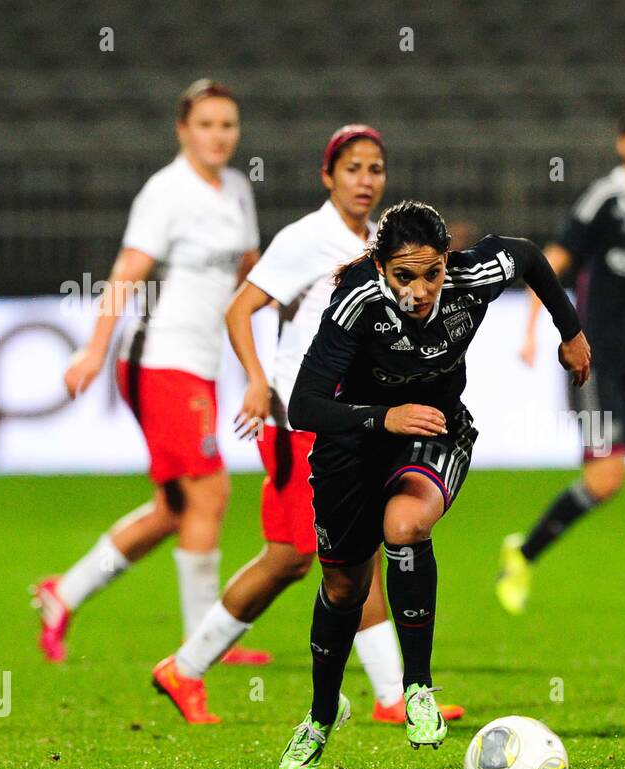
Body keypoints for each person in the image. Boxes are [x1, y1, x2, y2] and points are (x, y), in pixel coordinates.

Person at [149, 126, 463, 728]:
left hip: (356, 424)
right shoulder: (305, 239)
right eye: (352, 169)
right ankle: (186, 667)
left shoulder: (384, 242)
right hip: (304, 421)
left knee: (353, 550)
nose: (365, 180)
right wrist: (254, 381)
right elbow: (239, 308)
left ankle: (391, 695)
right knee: (293, 556)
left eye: (375, 168)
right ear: (329, 176)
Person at [275, 200, 591, 769]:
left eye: (431, 273)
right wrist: (383, 416)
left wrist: (570, 332)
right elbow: (304, 406)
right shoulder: (355, 304)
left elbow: (528, 257)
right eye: (403, 276)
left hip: (435, 431)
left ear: (448, 261)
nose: (418, 291)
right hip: (354, 442)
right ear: (380, 269)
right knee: (344, 588)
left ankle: (417, 686)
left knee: (406, 524)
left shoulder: (473, 276)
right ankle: (320, 716)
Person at [32, 79, 263, 667]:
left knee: (176, 510)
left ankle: (65, 593)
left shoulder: (237, 187)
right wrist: (92, 350)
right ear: (183, 130)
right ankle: (202, 640)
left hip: (200, 364)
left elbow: (248, 270)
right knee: (210, 492)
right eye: (207, 124)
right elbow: (126, 272)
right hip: (159, 360)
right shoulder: (165, 192)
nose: (219, 136)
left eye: (228, 125)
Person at [497, 107, 625, 616]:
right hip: (595, 365)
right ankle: (523, 552)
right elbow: (553, 260)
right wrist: (534, 326)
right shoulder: (606, 198)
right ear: (623, 143)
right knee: (606, 479)